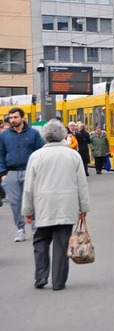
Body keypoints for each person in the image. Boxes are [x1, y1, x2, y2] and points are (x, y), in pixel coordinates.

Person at [21, 119, 90, 291]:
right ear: (62, 136)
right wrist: (83, 208)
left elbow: (29, 187)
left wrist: (28, 210)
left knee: (40, 241)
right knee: (61, 243)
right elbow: (82, 184)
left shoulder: (36, 156)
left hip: (42, 205)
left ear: (45, 136)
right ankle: (58, 282)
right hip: (66, 206)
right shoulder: (73, 155)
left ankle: (41, 276)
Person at [0, 107, 45, 242]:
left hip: (29, 171)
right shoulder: (4, 135)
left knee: (32, 199)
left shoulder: (33, 134)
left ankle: (35, 225)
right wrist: (3, 174)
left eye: (15, 117)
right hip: (11, 173)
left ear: (23, 118)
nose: (13, 120)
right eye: (11, 118)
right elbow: (0, 154)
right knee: (15, 203)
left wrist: (38, 171)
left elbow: (40, 152)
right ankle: (20, 229)